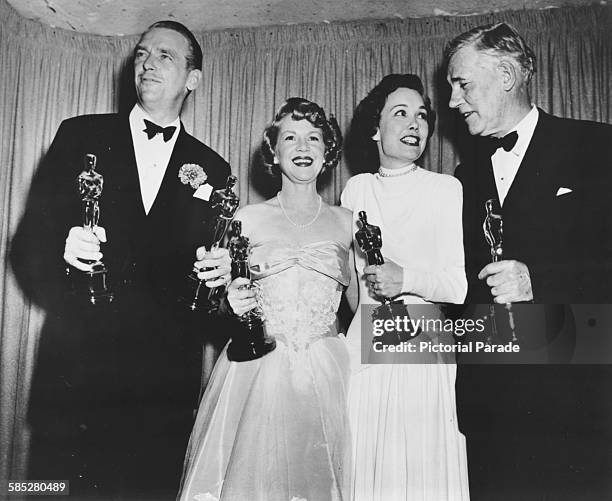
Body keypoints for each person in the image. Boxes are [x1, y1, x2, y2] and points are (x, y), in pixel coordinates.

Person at [11, 20, 231, 499]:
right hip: (78, 378)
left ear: (193, 79)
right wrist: (61, 252)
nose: (148, 62)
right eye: (142, 54)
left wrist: (222, 280)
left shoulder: (213, 168)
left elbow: (208, 295)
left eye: (165, 55)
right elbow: (28, 245)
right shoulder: (77, 136)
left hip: (163, 391)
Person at [445, 22, 612, 500]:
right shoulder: (463, 175)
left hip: (576, 402)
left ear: (506, 75)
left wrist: (541, 280)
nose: (454, 101)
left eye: (463, 84)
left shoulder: (597, 147)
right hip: (490, 409)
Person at [178, 98, 352, 501]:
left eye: (314, 137)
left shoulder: (347, 222)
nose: (303, 146)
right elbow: (220, 301)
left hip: (326, 374)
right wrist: (229, 304)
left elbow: (361, 309)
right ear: (273, 152)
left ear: (328, 152)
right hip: (256, 368)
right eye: (290, 137)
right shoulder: (246, 218)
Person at [340, 74, 469, 501]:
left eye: (422, 116)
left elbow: (457, 285)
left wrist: (406, 279)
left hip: (422, 344)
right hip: (365, 344)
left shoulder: (445, 189)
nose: (415, 124)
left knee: (418, 472)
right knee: (366, 466)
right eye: (401, 113)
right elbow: (354, 287)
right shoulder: (356, 189)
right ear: (374, 128)